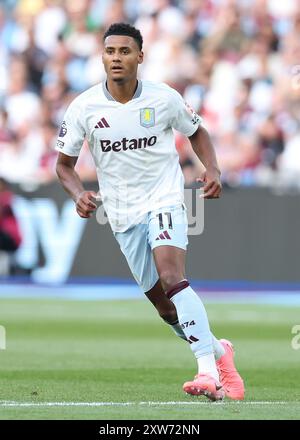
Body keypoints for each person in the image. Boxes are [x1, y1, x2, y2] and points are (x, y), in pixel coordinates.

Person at [55, 22, 244, 401]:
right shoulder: (84, 108)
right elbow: (63, 165)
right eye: (110, 52)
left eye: (125, 51)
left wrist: (213, 168)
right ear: (102, 57)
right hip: (122, 214)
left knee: (173, 277)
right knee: (164, 307)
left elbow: (197, 131)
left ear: (140, 56)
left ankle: (207, 372)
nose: (117, 58)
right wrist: (78, 193)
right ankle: (222, 354)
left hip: (166, 200)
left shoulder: (164, 98)